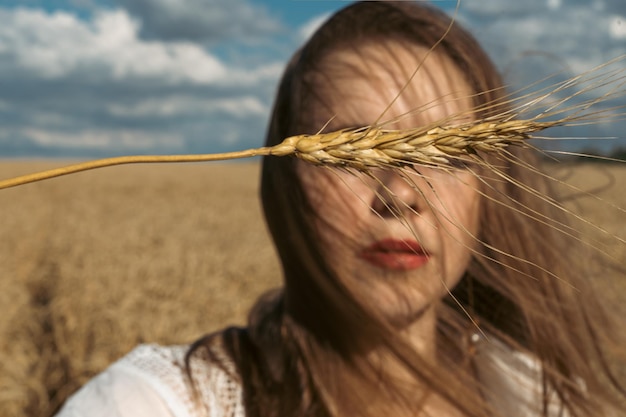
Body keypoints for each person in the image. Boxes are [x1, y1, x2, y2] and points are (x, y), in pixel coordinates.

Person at [55, 2, 624, 417]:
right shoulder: (154, 404)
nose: (400, 194)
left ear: (487, 191)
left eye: (450, 154)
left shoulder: (542, 396)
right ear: (284, 179)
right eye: (350, 150)